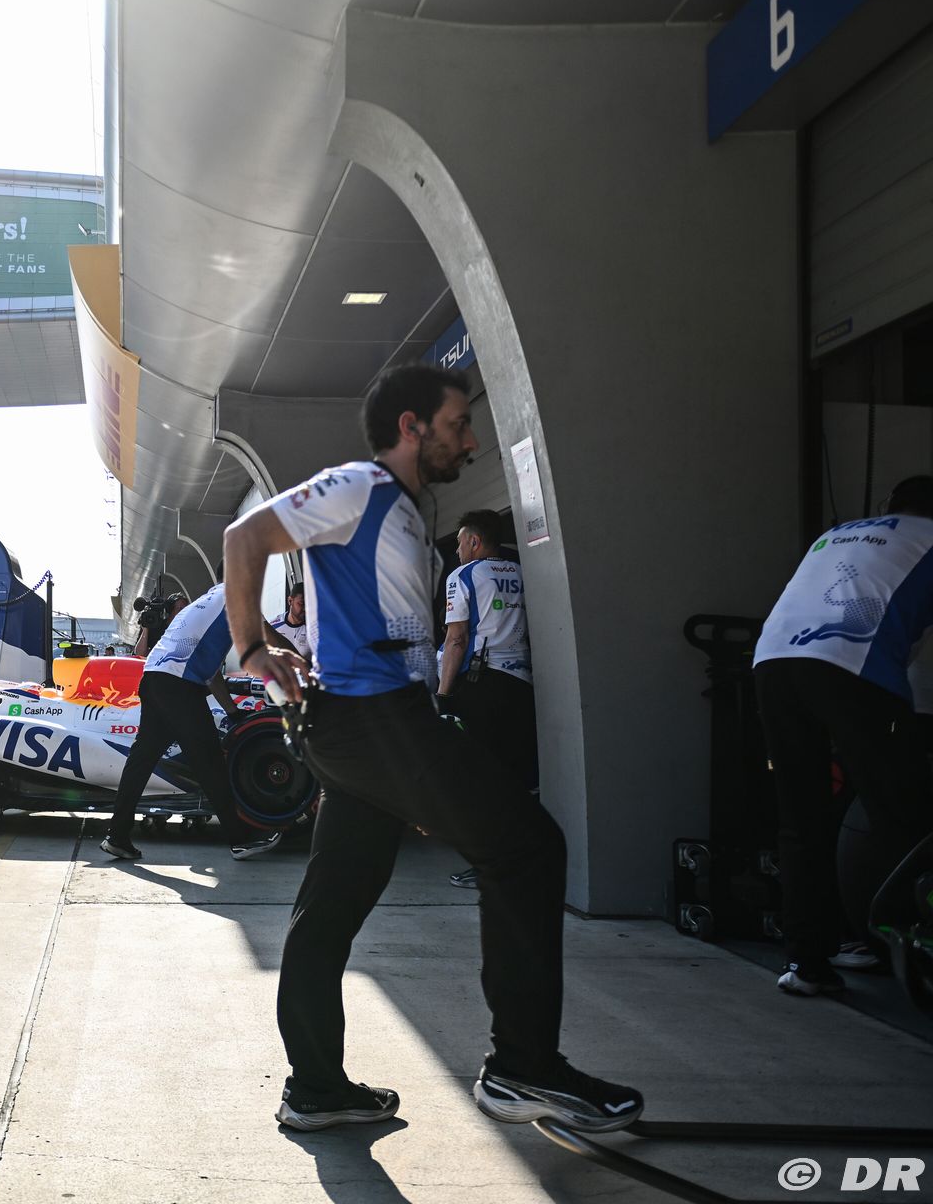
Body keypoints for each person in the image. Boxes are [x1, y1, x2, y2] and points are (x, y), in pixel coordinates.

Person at [223, 363, 641, 1135]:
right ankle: (521, 1066)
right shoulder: (359, 485)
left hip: (369, 726)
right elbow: (244, 536)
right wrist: (252, 645)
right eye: (457, 424)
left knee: (331, 908)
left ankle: (315, 1088)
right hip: (370, 720)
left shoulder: (406, 513)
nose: (470, 440)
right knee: (527, 850)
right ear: (410, 427)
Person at [752, 474, 933, 997]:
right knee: (904, 816)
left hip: (774, 661)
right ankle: (908, 950)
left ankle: (807, 962)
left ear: (890, 505)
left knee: (803, 819)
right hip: (854, 665)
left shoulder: (837, 534)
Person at [101, 583, 282, 862]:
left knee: (142, 760)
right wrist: (308, 665)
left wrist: (232, 712)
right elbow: (270, 641)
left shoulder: (202, 605)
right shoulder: (236, 594)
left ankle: (117, 836)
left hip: (153, 679)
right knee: (210, 761)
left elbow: (211, 674)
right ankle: (241, 839)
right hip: (178, 686)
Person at [436, 508, 536, 888]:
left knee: (479, 780)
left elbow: (456, 639)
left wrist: (444, 694)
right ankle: (518, 860)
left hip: (482, 685)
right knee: (514, 778)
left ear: (475, 541)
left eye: (460, 542)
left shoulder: (463, 575)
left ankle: (489, 866)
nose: (457, 550)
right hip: (522, 683)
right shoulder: (522, 570)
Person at [265, 582, 311, 673]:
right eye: (301, 603)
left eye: (309, 604)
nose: (305, 608)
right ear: (290, 601)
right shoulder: (273, 627)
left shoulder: (315, 628)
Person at [131, 589, 187, 658]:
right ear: (170, 610)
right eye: (180, 608)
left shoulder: (187, 630)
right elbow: (140, 654)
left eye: (185, 609)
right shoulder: (155, 627)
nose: (184, 612)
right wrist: (145, 629)